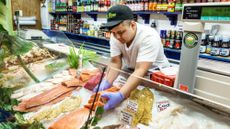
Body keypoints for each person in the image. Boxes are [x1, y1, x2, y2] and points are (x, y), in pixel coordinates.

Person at [94, 5, 170, 111]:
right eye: (114, 33)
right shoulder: (115, 35)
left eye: (121, 32)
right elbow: (116, 62)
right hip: (134, 74)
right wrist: (106, 82)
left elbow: (141, 70)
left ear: (133, 25)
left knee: (151, 111)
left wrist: (120, 95)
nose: (117, 37)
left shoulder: (149, 36)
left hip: (156, 79)